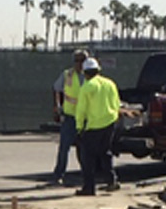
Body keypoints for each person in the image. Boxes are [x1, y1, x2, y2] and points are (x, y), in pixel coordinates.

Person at [73, 58, 122, 196]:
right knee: (105, 152)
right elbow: (117, 103)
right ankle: (111, 181)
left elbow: (81, 110)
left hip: (93, 126)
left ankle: (89, 188)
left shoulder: (87, 87)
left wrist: (79, 127)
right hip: (110, 123)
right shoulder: (110, 83)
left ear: (85, 73)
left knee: (87, 157)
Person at [50, 49, 89, 186]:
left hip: (86, 119)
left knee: (84, 150)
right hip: (70, 117)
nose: (79, 63)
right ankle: (58, 175)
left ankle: (87, 176)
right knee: (64, 148)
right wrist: (57, 107)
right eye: (77, 60)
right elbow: (56, 88)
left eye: (82, 60)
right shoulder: (68, 75)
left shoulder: (91, 76)